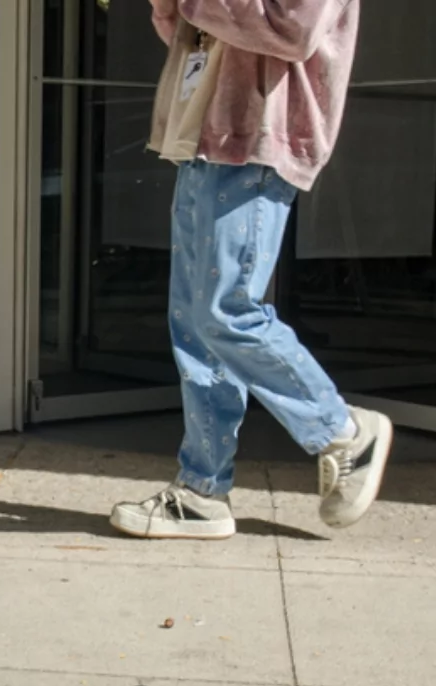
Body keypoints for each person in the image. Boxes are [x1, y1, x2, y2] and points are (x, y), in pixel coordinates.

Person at [110, 0, 391, 540]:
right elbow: (182, 29)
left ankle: (344, 431)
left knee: (225, 311)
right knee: (195, 323)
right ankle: (201, 492)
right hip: (205, 134)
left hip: (259, 135)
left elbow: (294, 28)